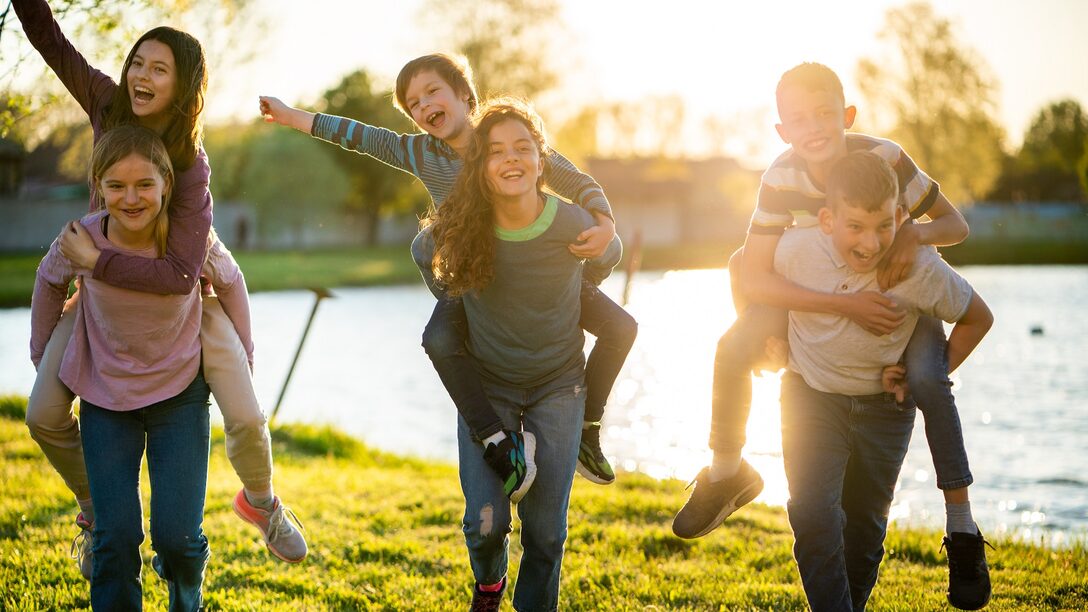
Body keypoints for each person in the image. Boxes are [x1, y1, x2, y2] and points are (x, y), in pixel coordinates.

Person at [12, 0, 306, 576]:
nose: (142, 76)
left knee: (245, 414)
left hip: (186, 285)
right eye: (137, 63)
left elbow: (179, 276)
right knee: (43, 412)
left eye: (159, 69)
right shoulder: (105, 101)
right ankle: (94, 505)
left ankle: (262, 501)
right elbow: (50, 41)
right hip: (101, 289)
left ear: (183, 85)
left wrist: (241, 353)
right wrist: (50, 346)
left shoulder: (191, 165)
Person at [259, 53, 636, 499]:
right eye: (413, 104)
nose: (424, 106)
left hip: (540, 277)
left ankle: (587, 429)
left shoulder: (507, 141)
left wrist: (604, 220)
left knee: (618, 296)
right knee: (428, 267)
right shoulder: (419, 152)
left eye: (432, 92)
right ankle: (492, 424)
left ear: (465, 95)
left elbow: (577, 181)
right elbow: (359, 136)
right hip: (477, 278)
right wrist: (290, 116)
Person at [673, 63, 980, 578]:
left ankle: (963, 526)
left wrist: (913, 236)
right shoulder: (780, 176)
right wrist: (769, 334)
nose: (813, 128)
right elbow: (750, 270)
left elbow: (956, 225)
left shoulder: (885, 158)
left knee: (929, 377)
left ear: (848, 115)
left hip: (896, 291)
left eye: (824, 114)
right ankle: (727, 472)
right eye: (798, 119)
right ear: (782, 131)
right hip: (828, 291)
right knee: (731, 349)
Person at [420, 98, 620, 610]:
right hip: (490, 386)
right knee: (485, 525)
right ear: (481, 168)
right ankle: (488, 586)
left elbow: (610, 252)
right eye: (495, 151)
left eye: (523, 148)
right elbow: (424, 251)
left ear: (541, 159)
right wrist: (455, 300)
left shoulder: (570, 220)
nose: (511, 159)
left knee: (547, 535)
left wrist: (575, 289)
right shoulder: (464, 226)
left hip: (559, 385)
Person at [774, 151, 993, 611]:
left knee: (866, 528)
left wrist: (921, 379)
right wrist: (770, 337)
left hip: (883, 410)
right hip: (811, 399)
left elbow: (978, 318)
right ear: (827, 219)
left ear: (899, 218)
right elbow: (745, 271)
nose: (871, 244)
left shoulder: (916, 268)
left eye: (882, 227)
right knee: (814, 516)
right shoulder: (796, 250)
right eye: (854, 227)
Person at [31, 125, 220, 610]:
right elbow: (49, 281)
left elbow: (232, 281)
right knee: (114, 537)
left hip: (179, 394)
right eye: (116, 186)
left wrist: (242, 359)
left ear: (166, 186)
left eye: (143, 185)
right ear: (98, 187)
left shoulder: (187, 240)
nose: (131, 198)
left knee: (177, 536)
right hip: (105, 397)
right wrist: (43, 355)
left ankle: (185, 583)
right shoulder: (81, 236)